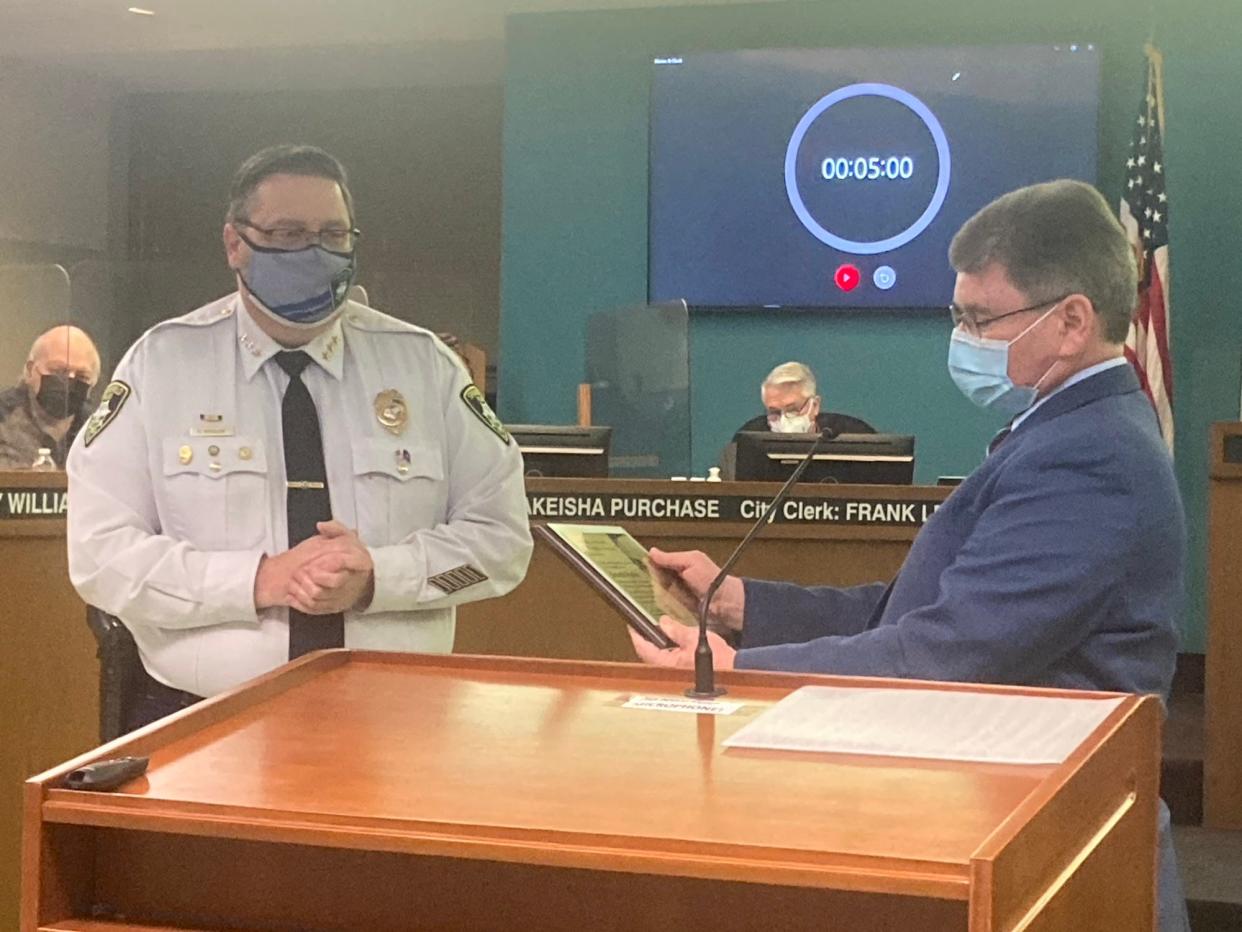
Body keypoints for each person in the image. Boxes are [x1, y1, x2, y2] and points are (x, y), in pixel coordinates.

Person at [633, 180, 1189, 932]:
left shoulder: (1090, 456)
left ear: (1071, 321)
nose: (962, 336)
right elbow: (911, 610)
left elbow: (945, 652)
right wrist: (738, 605)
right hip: (1021, 830)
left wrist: (736, 677)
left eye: (980, 318)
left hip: (1056, 853)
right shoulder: (1061, 432)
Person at [67, 144, 533, 729]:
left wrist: (380, 577)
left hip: (398, 724)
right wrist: (259, 579)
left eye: (332, 235)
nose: (314, 252)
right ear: (235, 243)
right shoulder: (160, 366)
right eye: (288, 234)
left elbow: (503, 545)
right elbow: (98, 556)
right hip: (203, 723)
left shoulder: (425, 367)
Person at [0, 325, 100, 469]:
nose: (69, 381)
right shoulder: (4, 418)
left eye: (82, 376)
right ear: (30, 371)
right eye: (59, 371)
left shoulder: (98, 430)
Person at [732, 361, 874, 440]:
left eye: (792, 410)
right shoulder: (747, 439)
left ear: (815, 405)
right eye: (774, 412)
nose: (783, 421)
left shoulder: (854, 434)